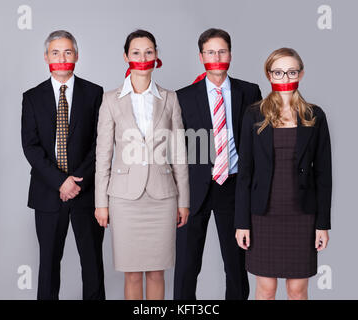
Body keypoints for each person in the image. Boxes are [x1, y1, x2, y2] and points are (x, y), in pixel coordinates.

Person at [94, 29, 189, 300]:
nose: (142, 57)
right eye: (136, 52)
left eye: (148, 52)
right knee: (132, 273)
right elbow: (103, 154)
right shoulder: (110, 100)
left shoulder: (169, 99)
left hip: (163, 197)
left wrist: (184, 201)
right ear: (126, 57)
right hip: (124, 199)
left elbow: (180, 154)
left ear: (156, 56)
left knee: (157, 272)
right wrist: (101, 202)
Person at [235, 48, 332, 300]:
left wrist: (322, 224)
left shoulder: (314, 115)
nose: (285, 77)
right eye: (278, 72)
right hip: (263, 214)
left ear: (300, 73)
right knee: (265, 290)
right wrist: (241, 223)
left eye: (291, 71)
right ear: (269, 74)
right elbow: (244, 173)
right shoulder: (253, 114)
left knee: (297, 291)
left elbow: (324, 175)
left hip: (302, 214)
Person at [174, 28, 262, 300]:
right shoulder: (184, 96)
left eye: (222, 51)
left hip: (234, 187)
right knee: (187, 266)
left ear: (230, 55)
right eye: (210, 52)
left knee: (236, 265)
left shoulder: (250, 91)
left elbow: (258, 143)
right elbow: (176, 150)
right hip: (195, 187)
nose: (216, 56)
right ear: (201, 57)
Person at [21, 30, 105, 300]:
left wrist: (76, 180)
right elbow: (30, 146)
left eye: (68, 52)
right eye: (55, 52)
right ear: (46, 56)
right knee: (48, 266)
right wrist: (60, 181)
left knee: (92, 264)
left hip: (86, 192)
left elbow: (100, 143)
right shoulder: (32, 97)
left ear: (77, 56)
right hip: (47, 193)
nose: (62, 57)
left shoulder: (94, 93)